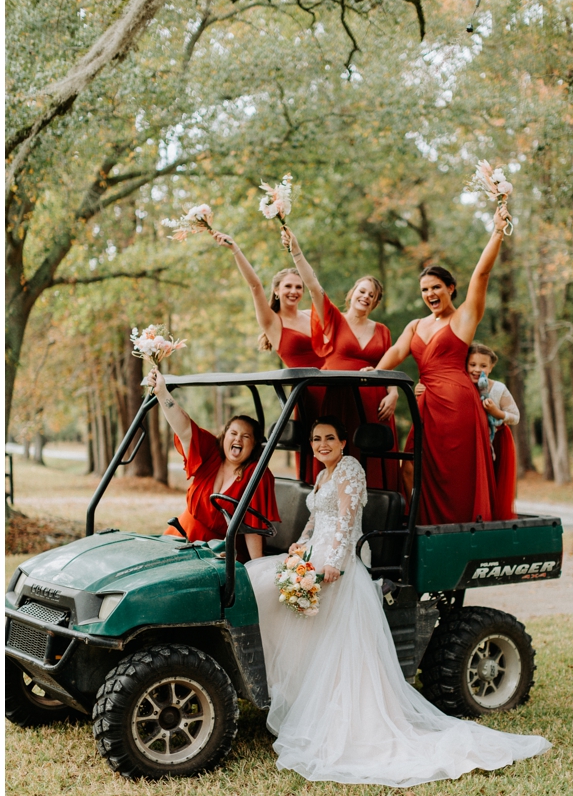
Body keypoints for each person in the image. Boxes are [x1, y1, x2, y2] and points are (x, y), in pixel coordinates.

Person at [244, 417, 549, 786]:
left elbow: (345, 520)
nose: (321, 444)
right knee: (263, 583)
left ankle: (345, 718)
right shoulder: (324, 474)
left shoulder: (349, 470)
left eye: (329, 438)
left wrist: (334, 564)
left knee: (336, 645)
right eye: (315, 439)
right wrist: (299, 542)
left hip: (338, 563)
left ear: (344, 442)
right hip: (314, 553)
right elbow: (316, 518)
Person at [372, 206, 508, 525]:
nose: (430, 293)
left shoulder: (463, 318)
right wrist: (373, 374)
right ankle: (421, 527)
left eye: (436, 287)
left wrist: (498, 232)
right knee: (409, 466)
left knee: (456, 474)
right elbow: (394, 353)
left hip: (458, 405)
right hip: (425, 401)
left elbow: (482, 275)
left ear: (450, 288)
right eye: (424, 290)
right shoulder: (416, 325)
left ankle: (458, 534)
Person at [283, 227, 398, 489]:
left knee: (371, 458)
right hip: (336, 395)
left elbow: (388, 365)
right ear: (352, 294)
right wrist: (296, 251)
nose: (366, 296)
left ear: (375, 302)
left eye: (372, 295)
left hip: (373, 403)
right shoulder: (334, 320)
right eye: (362, 291)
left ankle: (376, 513)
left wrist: (393, 393)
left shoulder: (382, 330)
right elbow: (313, 287)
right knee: (337, 453)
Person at [213, 231, 324, 480]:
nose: (294, 291)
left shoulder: (312, 314)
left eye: (298, 287)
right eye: (288, 286)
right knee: (318, 453)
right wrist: (235, 249)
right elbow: (254, 285)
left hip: (337, 384)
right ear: (276, 290)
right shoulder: (272, 322)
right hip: (309, 395)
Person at [149, 366, 279, 561]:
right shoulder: (211, 453)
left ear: (254, 446)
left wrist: (257, 565)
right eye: (233, 433)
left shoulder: (256, 473)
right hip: (180, 537)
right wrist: (161, 393)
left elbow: (253, 527)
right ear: (224, 436)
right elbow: (184, 427)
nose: (238, 439)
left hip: (217, 552)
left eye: (246, 437)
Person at [466, 342, 520, 521]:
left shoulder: (498, 388)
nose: (476, 370)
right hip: (472, 442)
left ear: (491, 367)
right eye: (472, 364)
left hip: (497, 440)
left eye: (483, 366)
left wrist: (497, 413)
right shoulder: (462, 386)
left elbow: (515, 416)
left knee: (494, 484)